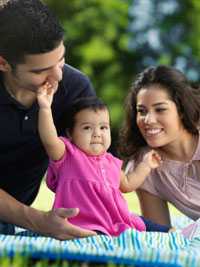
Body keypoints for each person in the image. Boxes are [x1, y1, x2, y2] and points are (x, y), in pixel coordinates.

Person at [0, 0, 97, 239]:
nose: (58, 76)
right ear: (3, 63)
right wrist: (39, 221)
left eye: (61, 60)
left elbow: (90, 164)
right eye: (39, 71)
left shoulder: (75, 88)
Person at [37, 83, 175, 236]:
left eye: (103, 127)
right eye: (87, 128)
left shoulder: (111, 162)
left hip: (116, 220)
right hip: (84, 224)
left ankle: (176, 235)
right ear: (70, 133)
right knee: (97, 238)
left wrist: (146, 165)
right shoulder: (68, 155)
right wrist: (45, 108)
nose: (97, 133)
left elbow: (128, 184)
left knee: (152, 226)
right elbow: (49, 139)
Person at [119, 65, 200, 234]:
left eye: (160, 109)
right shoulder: (144, 167)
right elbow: (161, 233)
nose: (148, 120)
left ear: (181, 110)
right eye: (142, 111)